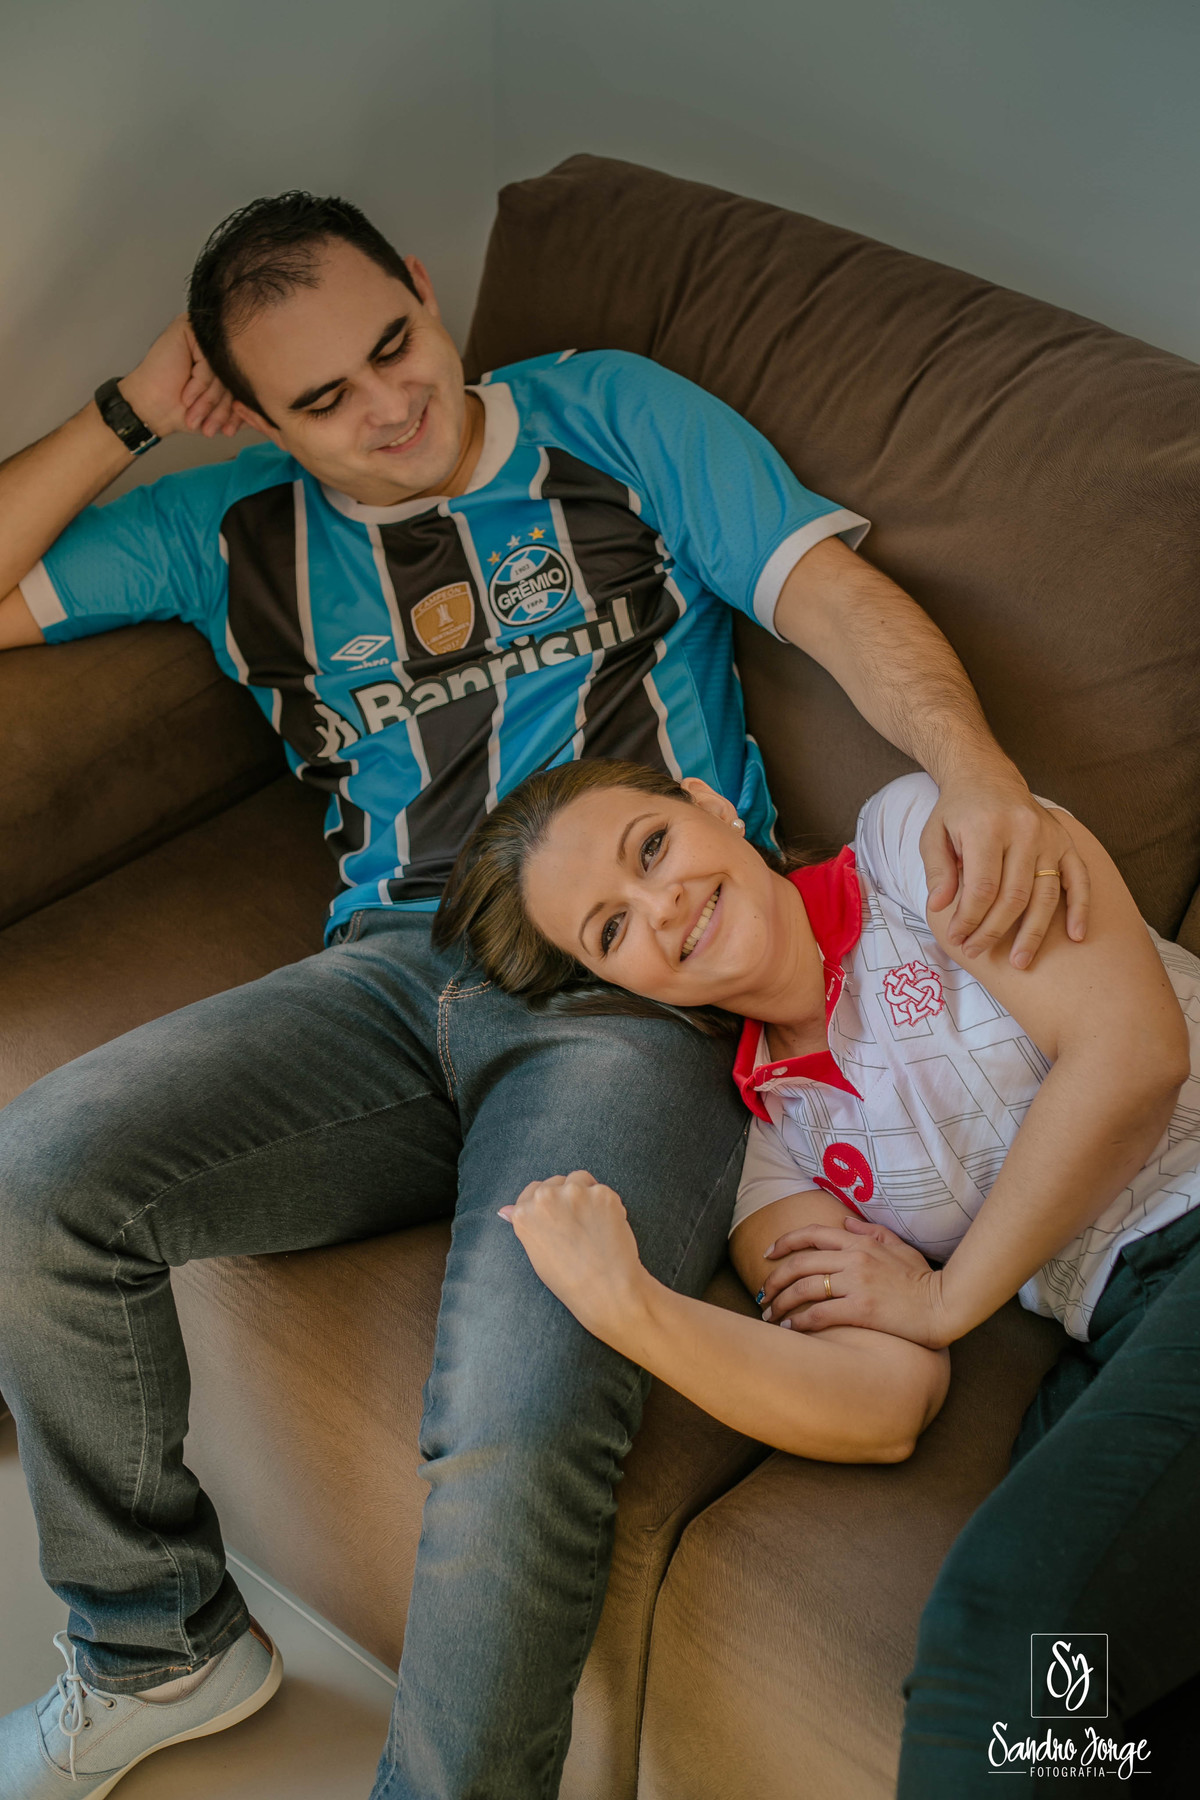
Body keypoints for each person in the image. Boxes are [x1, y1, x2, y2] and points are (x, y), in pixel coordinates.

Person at [0, 187, 1091, 1800]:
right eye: (325, 399)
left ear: (423, 285)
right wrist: (126, 413)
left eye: (396, 343)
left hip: (629, 1001)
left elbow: (837, 604)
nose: (391, 406)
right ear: (263, 418)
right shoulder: (229, 531)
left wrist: (977, 768)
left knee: (521, 1394)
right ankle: (157, 1648)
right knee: (35, 1172)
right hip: (385, 978)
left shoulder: (609, 416)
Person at [435, 756, 1200, 1795]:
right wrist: (631, 1308)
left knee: (1001, 1643)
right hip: (1123, 1326)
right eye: (611, 930)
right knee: (1086, 1725)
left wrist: (945, 1295)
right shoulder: (772, 1152)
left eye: (652, 848)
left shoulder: (913, 840)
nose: (663, 907)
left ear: (710, 807)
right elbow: (884, 1401)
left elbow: (1134, 1053)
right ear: (617, 987)